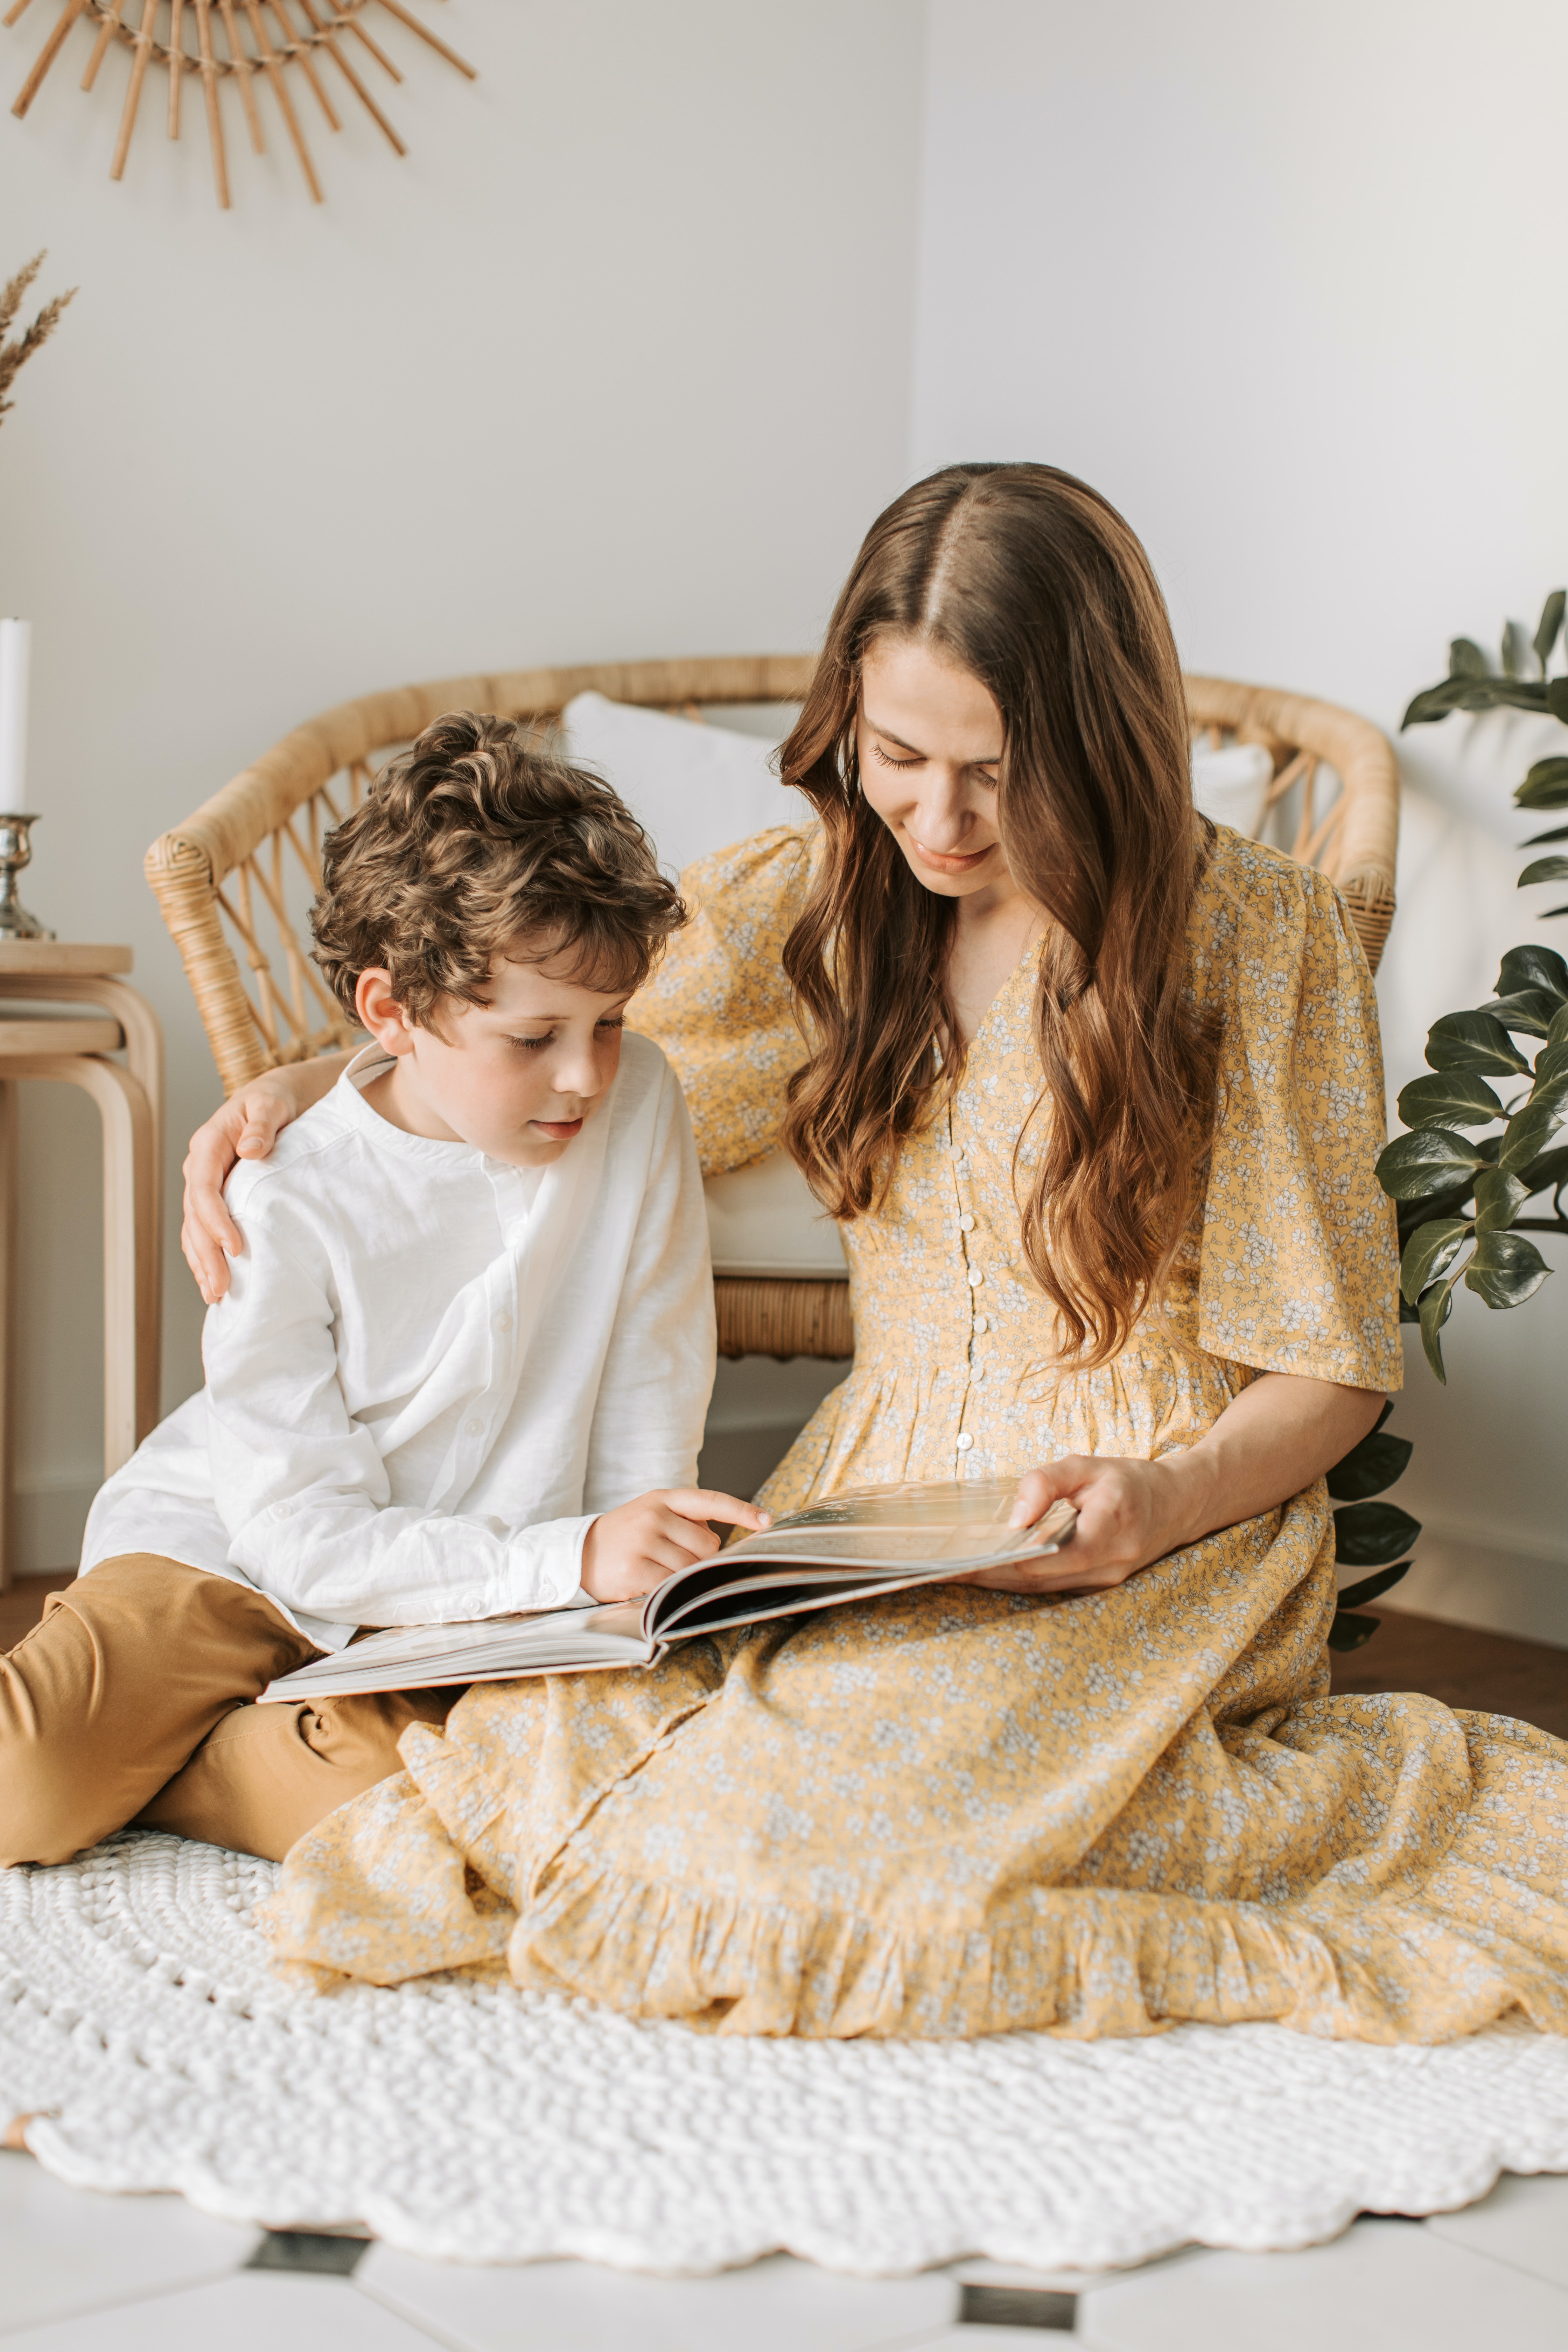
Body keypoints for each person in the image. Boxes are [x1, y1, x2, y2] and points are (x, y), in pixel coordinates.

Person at [181, 467, 1567, 2041]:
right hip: (863, 1507)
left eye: (996, 772)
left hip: (1156, 1526)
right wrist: (312, 1085)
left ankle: (1305, 1808)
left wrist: (1157, 1501)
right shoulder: (822, 903)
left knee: (809, 1854)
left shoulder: (1258, 938)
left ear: (1098, 740)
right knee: (592, 1758)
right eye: (896, 756)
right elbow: (534, 1024)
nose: (938, 818)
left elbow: (1328, 1367)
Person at [0, 713, 764, 1870]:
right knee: (25, 1783)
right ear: (389, 1014)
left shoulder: (640, 1100)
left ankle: (183, 1759)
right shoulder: (285, 1193)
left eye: (609, 1025)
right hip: (233, 1558)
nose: (585, 1076)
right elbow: (299, 1538)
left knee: (447, 1804)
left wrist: (623, 1589)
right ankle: (163, 1739)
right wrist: (563, 1561)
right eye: (534, 1037)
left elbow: (651, 1382)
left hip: (463, 1602)